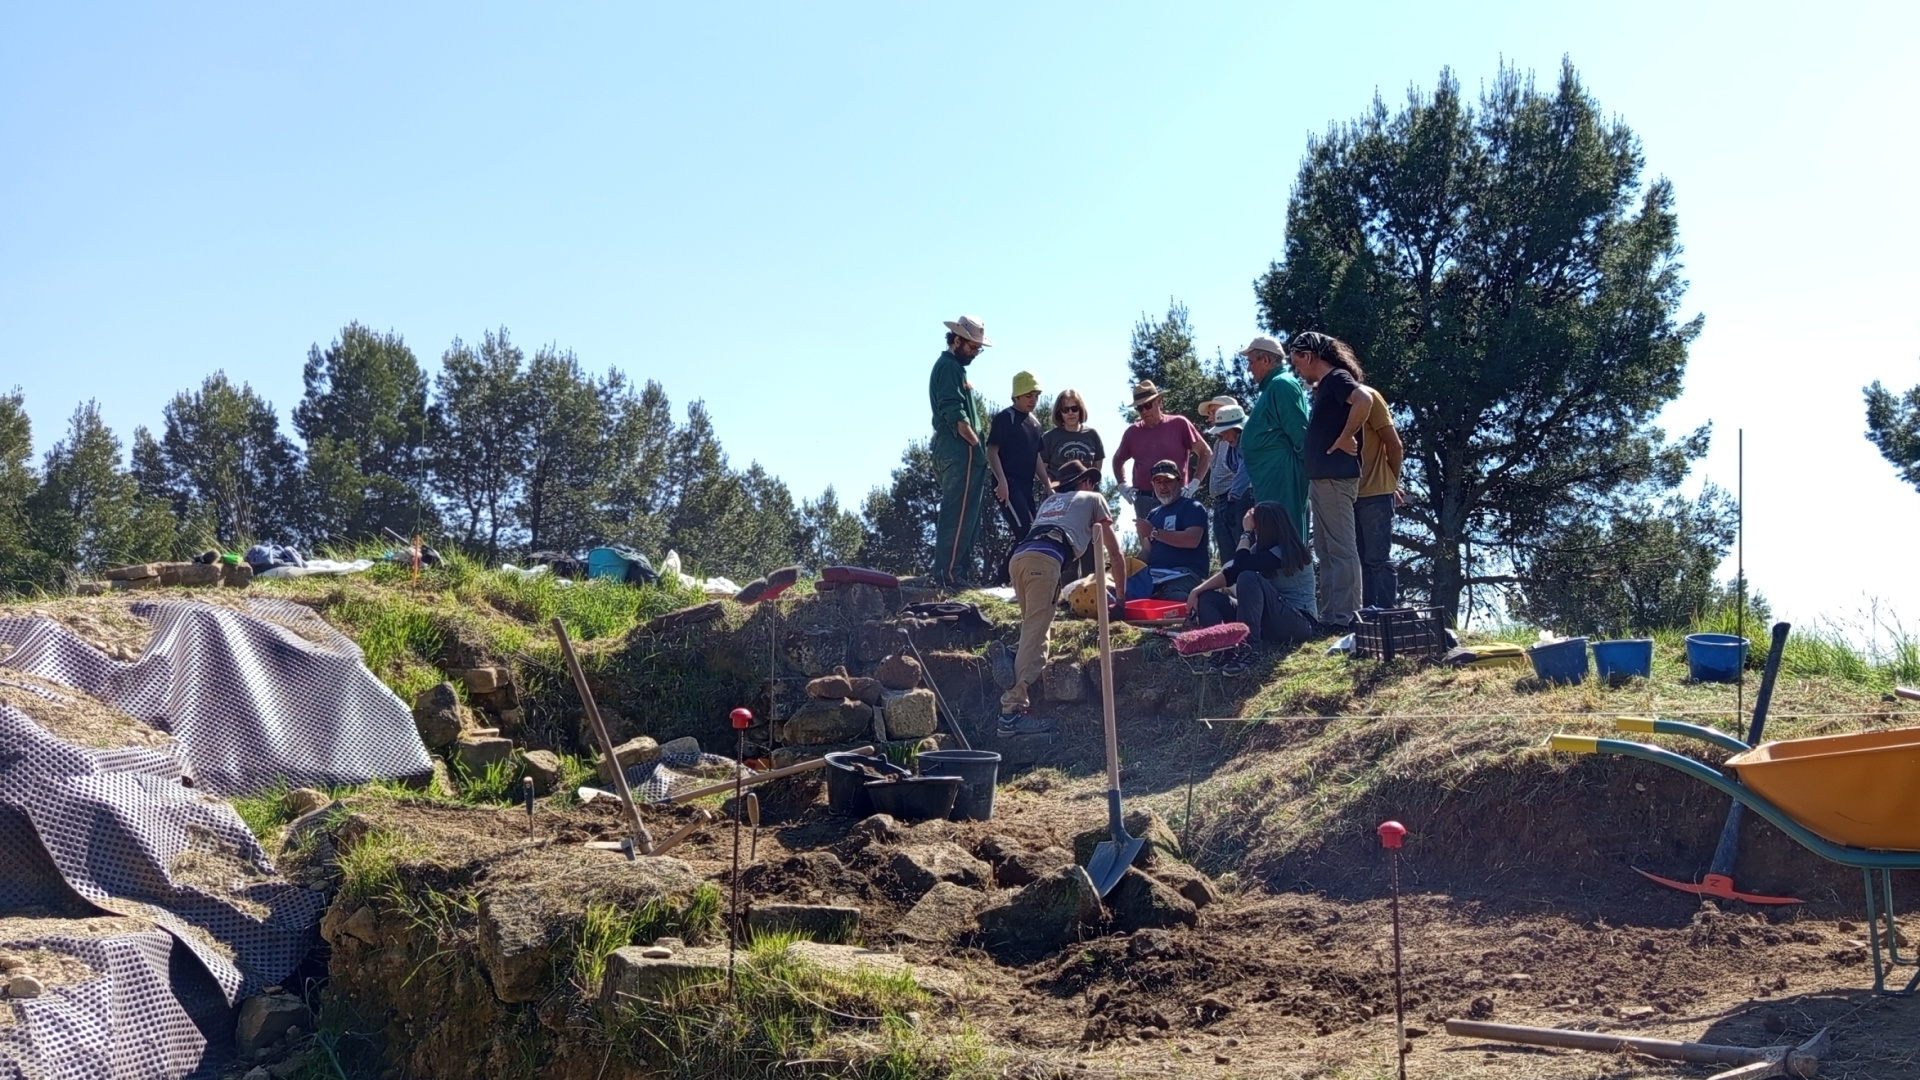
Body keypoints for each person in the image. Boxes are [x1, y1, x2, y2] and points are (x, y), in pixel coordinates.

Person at [998, 459, 1126, 736]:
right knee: (1035, 630)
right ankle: (1012, 712)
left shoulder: (1050, 503)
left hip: (1019, 559)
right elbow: (1114, 553)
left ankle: (1012, 655)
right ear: (1086, 482)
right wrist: (1123, 599)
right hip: (1044, 561)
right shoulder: (1093, 497)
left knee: (1038, 628)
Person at [1288, 331, 1372, 630]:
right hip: (1323, 478)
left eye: (1296, 360)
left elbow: (1364, 398)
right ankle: (1330, 617)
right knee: (1325, 549)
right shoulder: (1325, 385)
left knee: (1341, 548)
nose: (1295, 368)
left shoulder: (1337, 377)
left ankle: (1347, 617)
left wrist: (1347, 435)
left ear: (1309, 356)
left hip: (1336, 476)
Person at [1186, 500, 1317, 655]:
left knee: (1248, 577)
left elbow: (1242, 566)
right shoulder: (1259, 551)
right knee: (1208, 597)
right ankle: (1218, 650)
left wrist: (1246, 532)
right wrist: (1197, 591)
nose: (1255, 531)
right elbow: (1231, 573)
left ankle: (1249, 649)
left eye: (1256, 527)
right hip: (1270, 621)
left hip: (1299, 622)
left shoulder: (1290, 552)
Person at [928, 315, 992, 588]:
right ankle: (949, 575)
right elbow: (955, 413)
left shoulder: (954, 368)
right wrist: (976, 446)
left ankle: (956, 573)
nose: (976, 353)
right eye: (973, 347)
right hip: (960, 449)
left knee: (966, 515)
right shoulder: (950, 367)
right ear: (957, 340)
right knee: (958, 513)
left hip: (955, 449)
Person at [1237, 335, 1310, 546]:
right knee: (1272, 538)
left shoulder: (1282, 385)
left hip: (1283, 477)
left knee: (1286, 536)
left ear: (1267, 360)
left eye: (1251, 362)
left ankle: (1291, 578)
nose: (1249, 369)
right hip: (1272, 479)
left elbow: (1299, 432)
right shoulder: (1273, 388)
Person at [1111, 381, 1210, 522]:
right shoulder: (1132, 432)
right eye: (1139, 408)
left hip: (1177, 498)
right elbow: (1117, 459)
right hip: (1145, 500)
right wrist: (1122, 485)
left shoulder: (1179, 424)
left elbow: (1205, 452)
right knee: (1149, 543)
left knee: (1180, 541)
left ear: (1159, 402)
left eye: (1148, 405)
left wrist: (1194, 483)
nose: (1144, 411)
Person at [1039, 388, 1106, 580]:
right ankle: (1065, 594)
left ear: (1081, 410)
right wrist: (1049, 488)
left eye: (1074, 408)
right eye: (1065, 409)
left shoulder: (1092, 435)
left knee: (1091, 547)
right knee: (1065, 545)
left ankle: (1092, 593)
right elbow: (1042, 467)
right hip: (1060, 499)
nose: (1070, 413)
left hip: (1087, 498)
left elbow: (1097, 466)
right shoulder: (1050, 437)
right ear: (1059, 412)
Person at [1355, 384, 1405, 610]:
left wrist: (1390, 482)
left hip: (1376, 494)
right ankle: (1368, 617)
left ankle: (1387, 614)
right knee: (1359, 561)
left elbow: (1394, 445)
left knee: (1378, 560)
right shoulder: (1331, 400)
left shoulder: (1370, 396)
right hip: (1348, 494)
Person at [1130, 460, 1209, 601]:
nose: (1163, 486)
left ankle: (1200, 607)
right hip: (1156, 575)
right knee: (1128, 590)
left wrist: (1155, 532)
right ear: (1152, 485)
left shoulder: (1192, 507)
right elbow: (1147, 552)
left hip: (1186, 574)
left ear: (1179, 482)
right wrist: (1129, 567)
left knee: (1162, 594)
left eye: (1168, 481)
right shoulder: (1153, 514)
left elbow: (1192, 540)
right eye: (1158, 482)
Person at [1202, 401, 1253, 566]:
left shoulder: (1247, 442)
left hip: (1244, 497)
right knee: (1230, 555)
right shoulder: (1233, 446)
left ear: (1235, 428)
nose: (1220, 436)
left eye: (1222, 431)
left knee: (1244, 549)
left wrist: (1234, 496)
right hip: (1234, 498)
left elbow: (1246, 468)